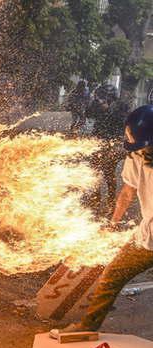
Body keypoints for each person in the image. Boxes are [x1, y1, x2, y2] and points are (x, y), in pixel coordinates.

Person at [64, 104, 153, 333]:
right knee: (113, 274)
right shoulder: (135, 155)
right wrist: (113, 224)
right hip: (147, 234)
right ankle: (87, 327)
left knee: (113, 275)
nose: (142, 151)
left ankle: (87, 327)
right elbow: (127, 192)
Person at [86, 84, 130, 217]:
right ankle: (96, 197)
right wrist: (95, 103)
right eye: (101, 96)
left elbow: (124, 122)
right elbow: (88, 114)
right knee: (95, 170)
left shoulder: (121, 107)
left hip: (114, 143)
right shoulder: (97, 103)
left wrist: (108, 110)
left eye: (105, 97)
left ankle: (111, 200)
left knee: (108, 172)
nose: (103, 99)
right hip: (98, 141)